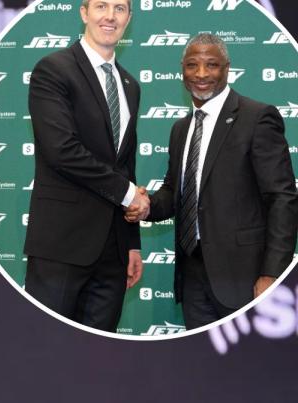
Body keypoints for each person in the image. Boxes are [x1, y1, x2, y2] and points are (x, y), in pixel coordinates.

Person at [125, 34, 298, 329]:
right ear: (182, 70)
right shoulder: (180, 129)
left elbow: (282, 197)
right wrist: (146, 206)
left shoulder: (257, 118)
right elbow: (174, 191)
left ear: (227, 69)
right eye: (192, 65)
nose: (201, 74)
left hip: (245, 277)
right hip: (193, 274)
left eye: (211, 65)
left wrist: (272, 274)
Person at [23, 0, 147, 333]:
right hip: (62, 243)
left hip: (114, 252)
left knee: (99, 354)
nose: (110, 16)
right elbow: (61, 151)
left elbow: (125, 165)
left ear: (129, 18)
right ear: (84, 13)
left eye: (119, 9)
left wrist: (132, 243)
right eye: (101, 6)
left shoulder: (131, 85)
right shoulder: (53, 69)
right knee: (47, 346)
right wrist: (129, 194)